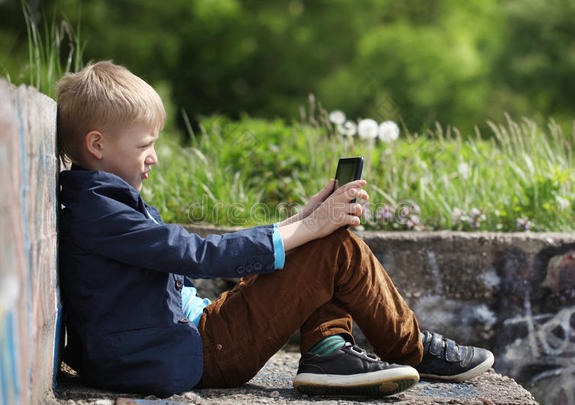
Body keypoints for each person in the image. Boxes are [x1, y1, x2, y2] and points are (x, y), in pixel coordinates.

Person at [57, 61, 494, 399]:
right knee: (333, 245)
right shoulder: (99, 212)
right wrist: (308, 229)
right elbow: (197, 254)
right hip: (196, 351)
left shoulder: (100, 202)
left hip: (195, 330)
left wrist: (301, 224)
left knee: (323, 241)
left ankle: (328, 353)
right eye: (144, 146)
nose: (153, 157)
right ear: (97, 145)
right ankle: (412, 348)